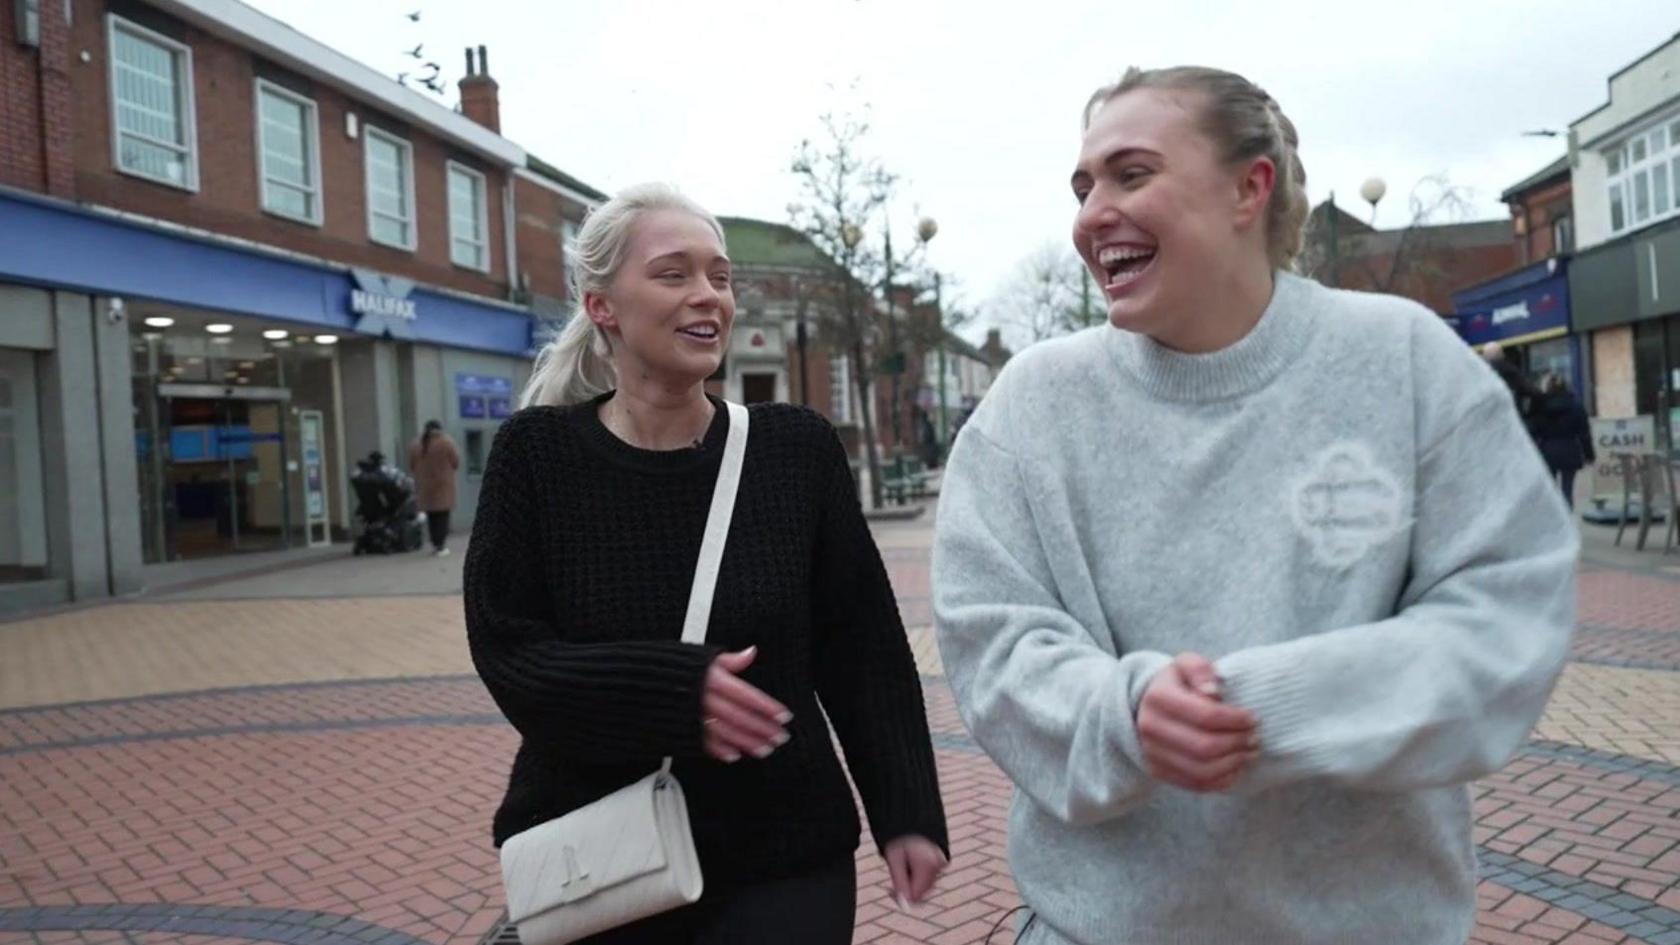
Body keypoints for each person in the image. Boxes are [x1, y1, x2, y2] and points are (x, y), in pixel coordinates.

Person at [932, 66, 1577, 945]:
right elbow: (992, 643)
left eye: (1131, 174)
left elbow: (1509, 617)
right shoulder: (1032, 407)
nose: (1090, 215)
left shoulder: (1405, 362)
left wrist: (1265, 708)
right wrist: (1127, 717)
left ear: (1249, 186)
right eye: (1083, 187)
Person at [464, 183, 948, 945]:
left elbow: (862, 646)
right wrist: (670, 693)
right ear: (603, 307)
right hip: (604, 859)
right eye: (674, 273)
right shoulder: (536, 456)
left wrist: (908, 809)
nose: (708, 296)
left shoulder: (796, 450)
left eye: (720, 277)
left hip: (785, 858)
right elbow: (509, 651)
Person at [1533, 373, 1596, 508]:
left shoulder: (1539, 406)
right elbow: (1584, 433)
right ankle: (1568, 517)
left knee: (1550, 489)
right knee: (1567, 489)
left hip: (1547, 450)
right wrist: (1589, 455)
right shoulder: (1576, 405)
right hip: (1570, 449)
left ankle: (1554, 519)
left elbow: (1534, 430)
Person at [408, 420, 460, 556]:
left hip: (425, 486)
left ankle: (435, 543)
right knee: (442, 516)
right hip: (443, 485)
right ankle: (440, 546)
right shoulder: (446, 442)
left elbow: (412, 465)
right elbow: (456, 462)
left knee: (431, 516)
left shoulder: (416, 444)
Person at [1482, 341, 1542, 434]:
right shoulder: (1511, 371)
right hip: (1513, 420)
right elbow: (1533, 392)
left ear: (1485, 357)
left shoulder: (1481, 374)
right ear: (1501, 355)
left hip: (1491, 424)